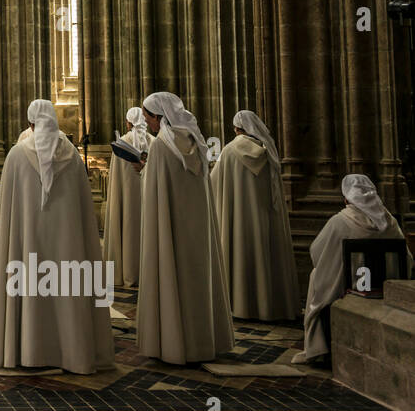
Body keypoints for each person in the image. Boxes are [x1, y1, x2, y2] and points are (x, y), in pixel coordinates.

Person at [0, 100, 114, 373]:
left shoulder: (17, 155)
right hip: (68, 246)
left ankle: (29, 350)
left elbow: (8, 213)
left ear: (30, 123)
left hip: (28, 248)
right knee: (69, 288)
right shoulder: (73, 157)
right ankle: (73, 351)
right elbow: (83, 211)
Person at [136, 91, 234, 364]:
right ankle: (203, 342)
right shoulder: (195, 140)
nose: (147, 123)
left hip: (170, 230)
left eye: (148, 118)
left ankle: (174, 344)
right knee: (199, 281)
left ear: (159, 117)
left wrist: (141, 169)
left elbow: (155, 192)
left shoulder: (161, 145)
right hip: (197, 232)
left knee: (172, 277)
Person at [293, 175, 410, 365]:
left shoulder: (340, 221)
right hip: (387, 284)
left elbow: (316, 253)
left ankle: (321, 347)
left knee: (317, 275)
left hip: (352, 285)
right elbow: (407, 258)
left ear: (347, 198)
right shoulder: (390, 221)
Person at [211, 109, 299, 320]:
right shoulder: (268, 152)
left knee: (239, 253)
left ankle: (241, 305)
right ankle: (270, 306)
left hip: (237, 220)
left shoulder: (229, 151)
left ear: (237, 128)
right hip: (265, 218)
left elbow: (213, 184)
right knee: (266, 256)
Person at [104, 106, 150, 287]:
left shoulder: (122, 143)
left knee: (127, 227)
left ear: (128, 122)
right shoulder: (154, 141)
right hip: (149, 199)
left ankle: (129, 272)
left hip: (127, 200)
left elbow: (116, 180)